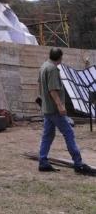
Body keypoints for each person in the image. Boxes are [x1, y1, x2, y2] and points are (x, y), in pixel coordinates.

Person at [37, 47, 96, 175]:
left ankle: (43, 161)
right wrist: (60, 106)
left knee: (48, 135)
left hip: (47, 109)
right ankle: (78, 165)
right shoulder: (52, 69)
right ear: (60, 57)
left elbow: (40, 86)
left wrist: (42, 100)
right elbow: (53, 90)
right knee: (69, 133)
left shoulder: (44, 66)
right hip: (54, 110)